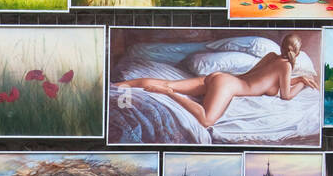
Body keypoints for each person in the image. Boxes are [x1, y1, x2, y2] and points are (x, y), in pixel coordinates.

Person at [116, 34, 318, 129]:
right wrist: (302, 82)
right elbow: (286, 95)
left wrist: (298, 77)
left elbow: (255, 75)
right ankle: (171, 94)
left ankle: (121, 86)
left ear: (282, 46)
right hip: (227, 86)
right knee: (206, 120)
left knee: (167, 81)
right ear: (297, 52)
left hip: (222, 79)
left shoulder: (272, 57)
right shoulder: (286, 66)